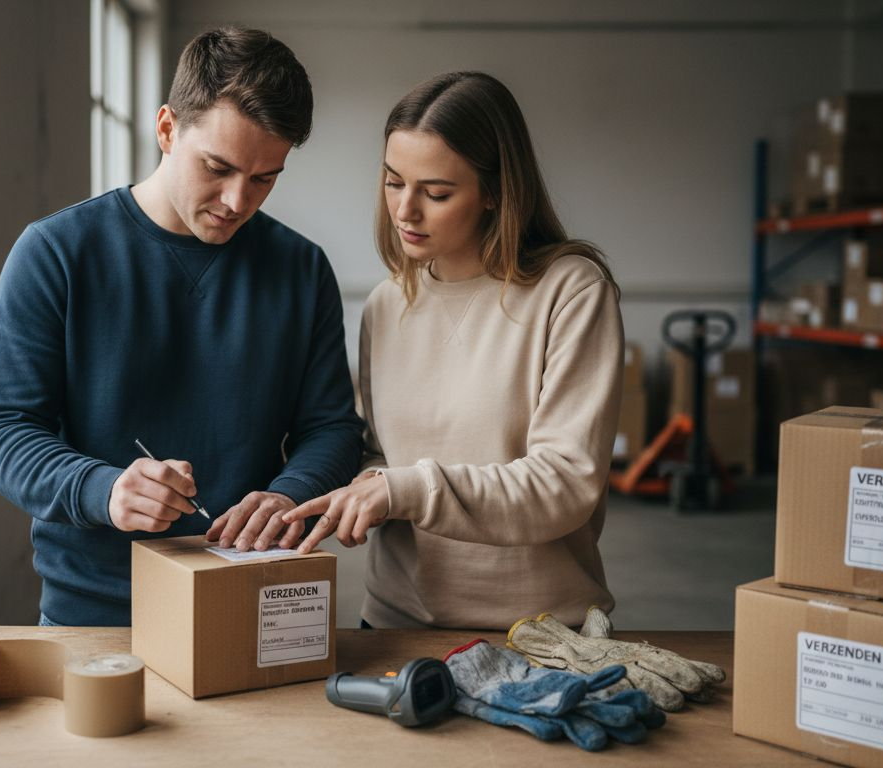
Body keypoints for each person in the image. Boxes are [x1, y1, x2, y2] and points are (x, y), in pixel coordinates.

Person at [0, 27, 362, 627]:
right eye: (219, 167)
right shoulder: (55, 253)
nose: (237, 200)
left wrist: (290, 492)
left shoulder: (301, 269)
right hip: (95, 611)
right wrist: (102, 489)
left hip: (252, 598)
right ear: (166, 129)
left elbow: (334, 428)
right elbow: (4, 432)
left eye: (265, 178)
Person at [222, 71, 622, 630]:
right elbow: (383, 458)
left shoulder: (571, 292)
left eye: (435, 193)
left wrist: (405, 489)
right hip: (394, 622)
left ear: (494, 192)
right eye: (392, 182)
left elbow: (565, 483)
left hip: (539, 633)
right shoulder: (388, 305)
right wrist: (338, 493)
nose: (405, 210)